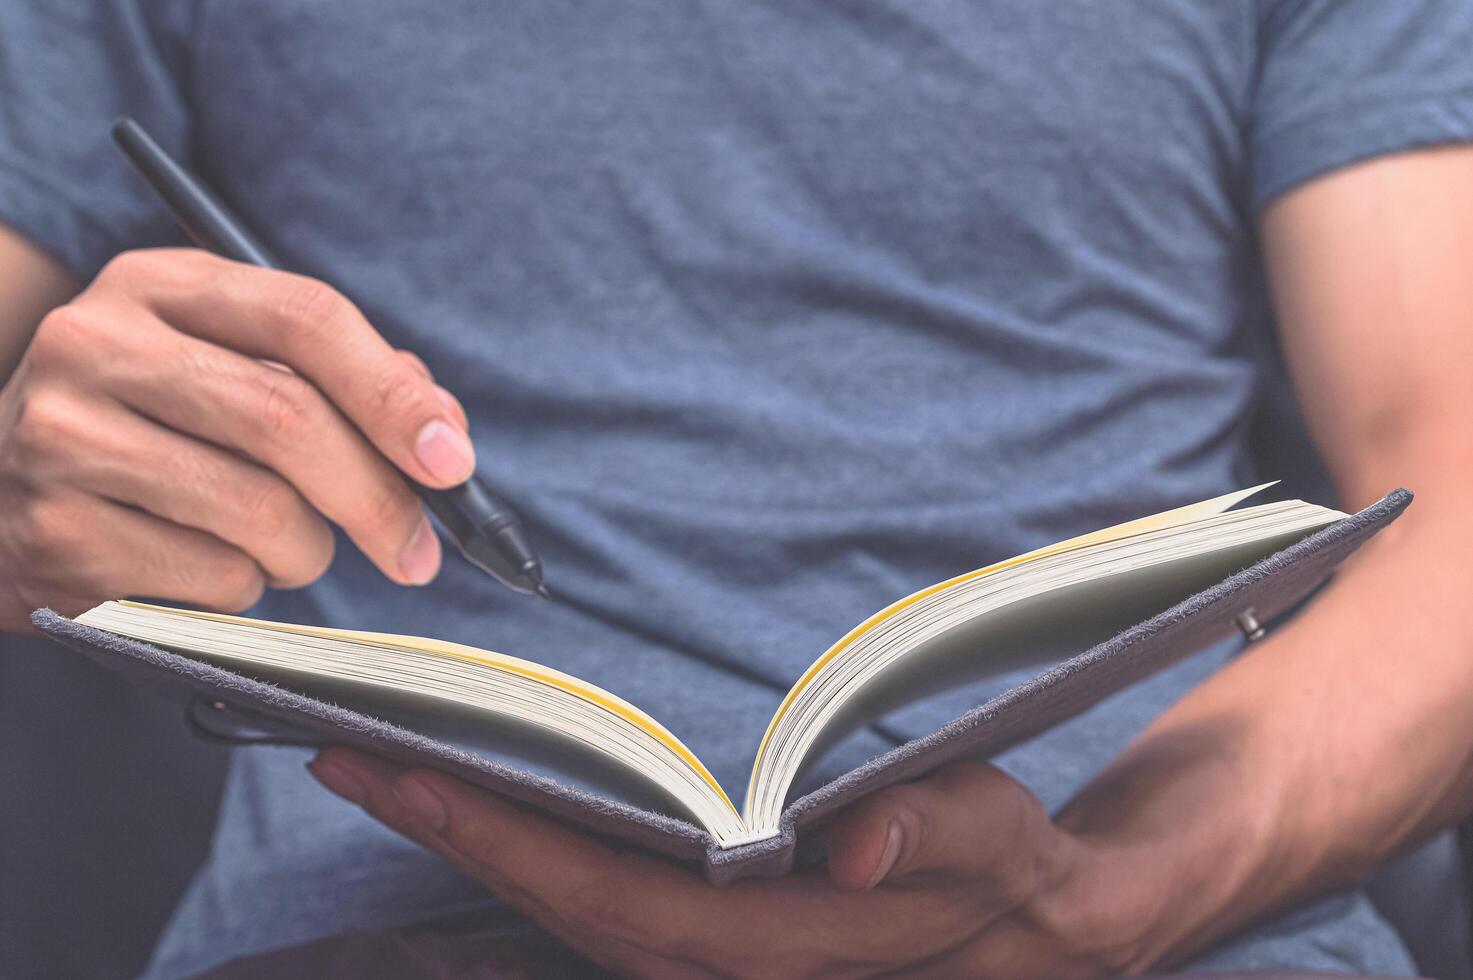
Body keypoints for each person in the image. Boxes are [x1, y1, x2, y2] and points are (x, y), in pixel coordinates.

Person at [2, 1, 1472, 976]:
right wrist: (19, 504)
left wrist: (1117, 892)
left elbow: (1455, 498)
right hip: (384, 923)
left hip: (1169, 921)